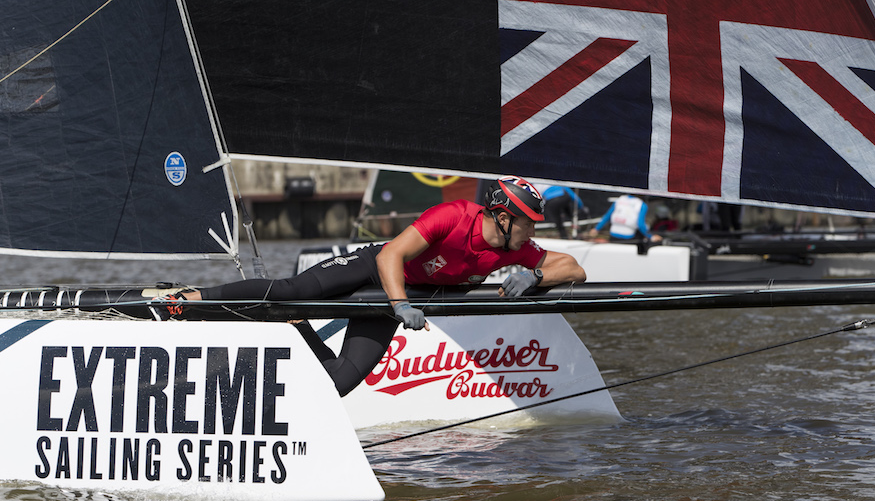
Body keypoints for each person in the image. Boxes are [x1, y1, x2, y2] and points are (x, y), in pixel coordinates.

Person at [159, 176, 587, 396]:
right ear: (504, 216)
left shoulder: (517, 249)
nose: (533, 232)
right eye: (529, 222)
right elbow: (390, 256)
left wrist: (534, 275)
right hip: (374, 271)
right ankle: (188, 300)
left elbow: (574, 269)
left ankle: (296, 329)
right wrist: (399, 305)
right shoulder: (456, 215)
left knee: (342, 382)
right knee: (288, 290)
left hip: (398, 299)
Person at [589, 194, 662, 252]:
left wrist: (596, 229)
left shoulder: (619, 200)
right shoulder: (641, 205)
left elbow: (607, 216)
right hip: (629, 239)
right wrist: (651, 237)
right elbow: (640, 225)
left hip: (613, 236)